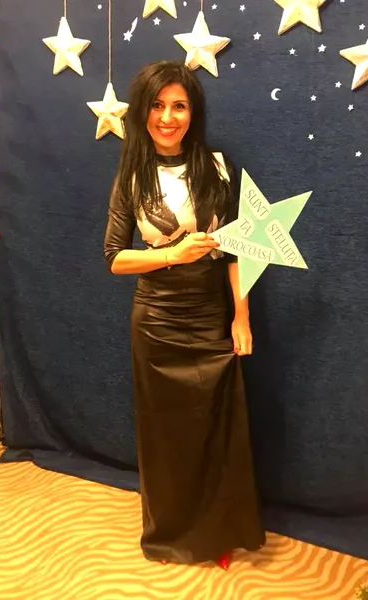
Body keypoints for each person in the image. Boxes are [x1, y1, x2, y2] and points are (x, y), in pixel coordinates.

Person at [103, 60, 265, 570]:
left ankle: (218, 534)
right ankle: (171, 533)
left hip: (211, 314)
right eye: (157, 105)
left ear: (193, 113)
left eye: (179, 105)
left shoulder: (218, 167)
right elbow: (114, 258)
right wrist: (172, 253)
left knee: (218, 430)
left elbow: (239, 248)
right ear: (142, 112)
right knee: (166, 435)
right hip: (157, 321)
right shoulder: (132, 174)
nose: (167, 117)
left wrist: (241, 316)